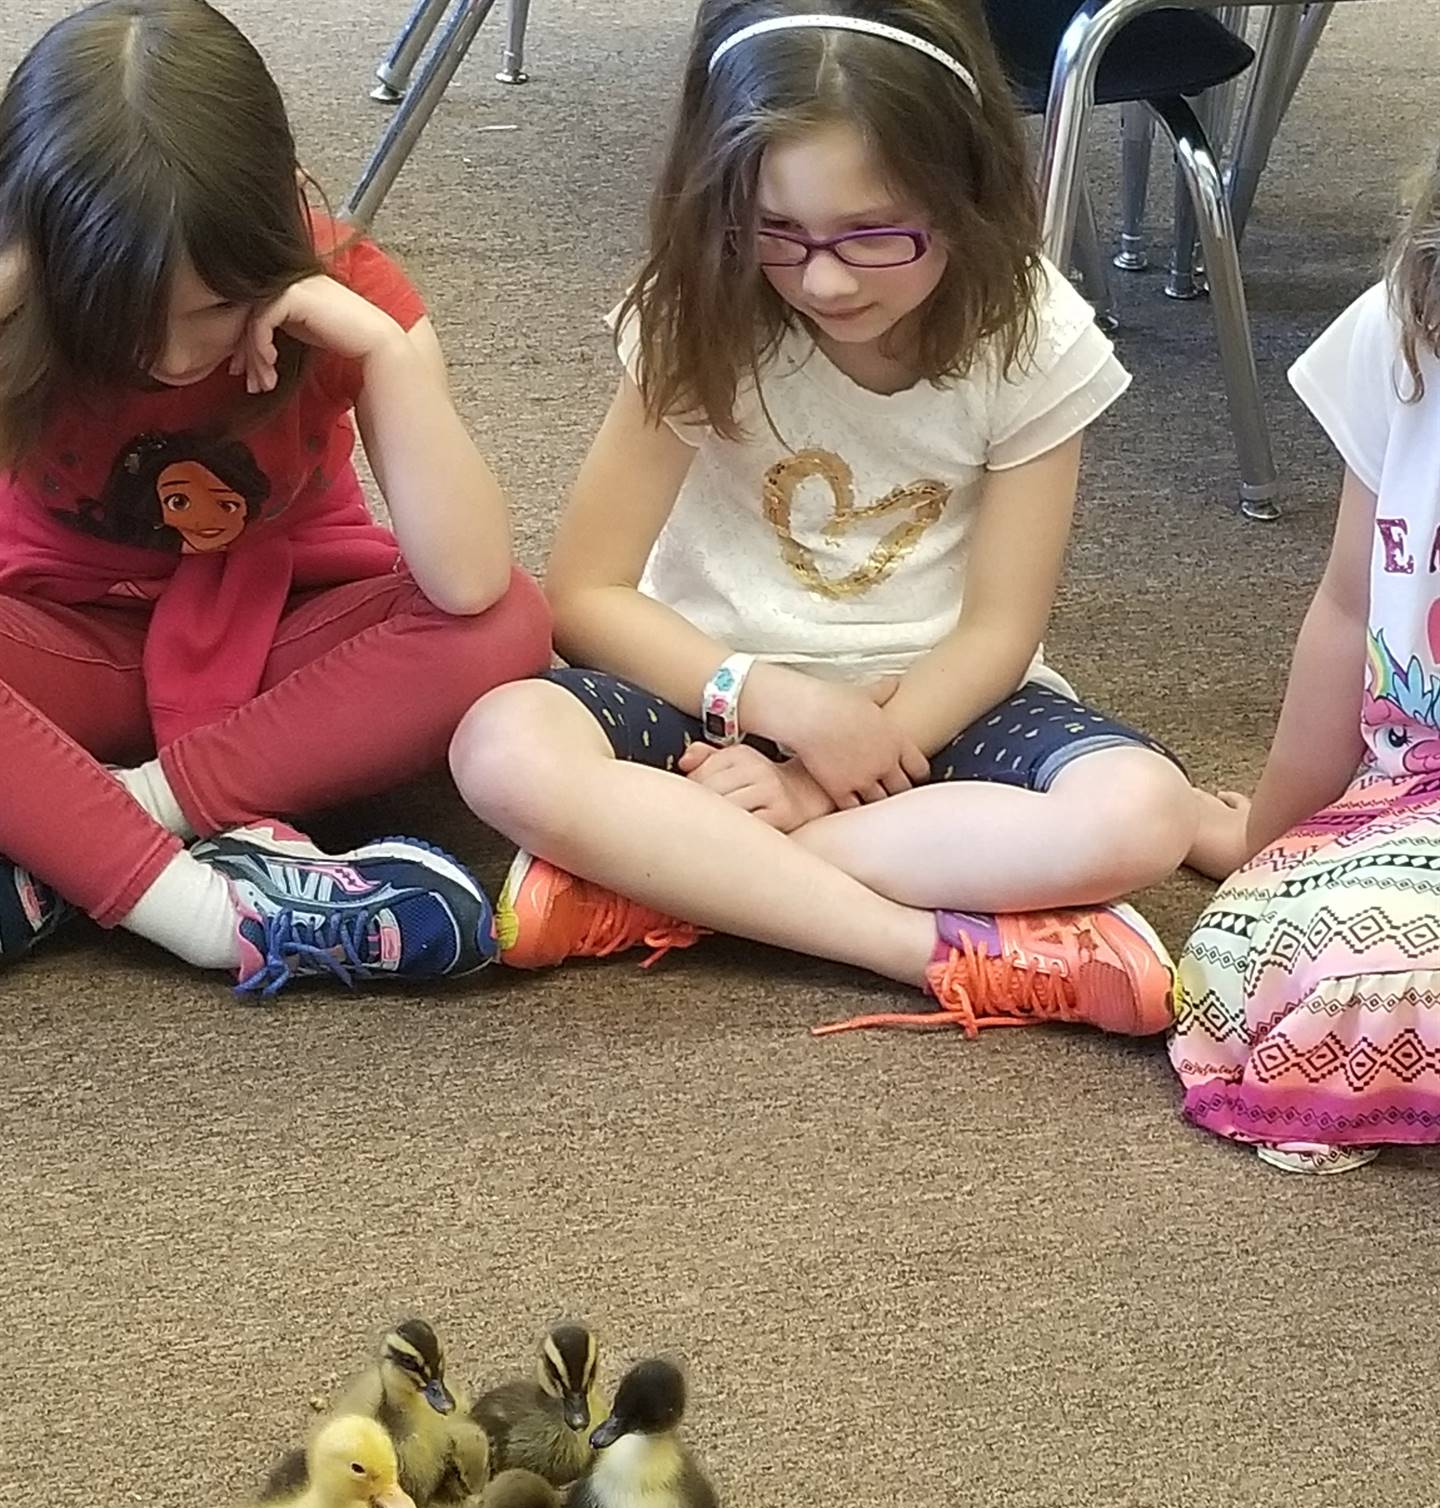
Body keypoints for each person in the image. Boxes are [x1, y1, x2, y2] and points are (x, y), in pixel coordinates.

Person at [449, 0, 1241, 1039]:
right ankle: (925, 948)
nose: (822, 277)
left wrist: (823, 781)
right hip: (710, 691)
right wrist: (779, 705)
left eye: (876, 235)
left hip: (934, 711)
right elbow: (588, 593)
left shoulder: (1035, 333)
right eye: (777, 232)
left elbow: (999, 633)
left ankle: (657, 874)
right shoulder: (702, 304)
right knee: (500, 745)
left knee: (1142, 814)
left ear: (967, 194)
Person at [0, 0, 550, 997]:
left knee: (509, 621)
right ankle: (208, 913)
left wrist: (387, 352)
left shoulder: (345, 293)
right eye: (120, 319)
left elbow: (468, 585)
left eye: (214, 310)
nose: (172, 357)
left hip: (274, 652)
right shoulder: (26, 302)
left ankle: (78, 831)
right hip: (59, 643)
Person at [1170, 150, 1440, 1172]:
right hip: (1415, 794)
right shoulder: (1408, 326)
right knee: (1247, 974)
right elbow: (1347, 607)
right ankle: (1263, 846)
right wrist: (1265, 857)